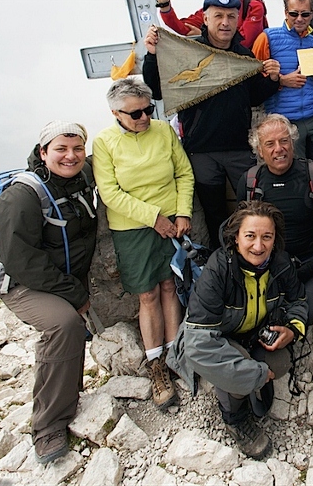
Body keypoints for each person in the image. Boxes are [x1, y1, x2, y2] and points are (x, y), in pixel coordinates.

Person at [167, 201, 308, 459]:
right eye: (250, 236)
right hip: (216, 338)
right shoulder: (218, 270)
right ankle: (235, 418)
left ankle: (245, 380)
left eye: (267, 237)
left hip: (254, 334)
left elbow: (298, 301)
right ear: (235, 238)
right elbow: (198, 344)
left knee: (281, 361)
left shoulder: (280, 263)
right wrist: (254, 375)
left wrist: (292, 329)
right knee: (240, 367)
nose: (259, 246)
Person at [0, 121, 98, 465]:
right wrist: (73, 294)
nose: (71, 156)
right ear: (42, 152)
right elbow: (20, 261)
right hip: (24, 284)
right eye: (61, 149)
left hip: (61, 276)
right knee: (63, 325)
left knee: (75, 326)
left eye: (77, 148)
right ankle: (49, 425)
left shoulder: (81, 177)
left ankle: (71, 388)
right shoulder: (21, 197)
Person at [142, 0, 281, 250]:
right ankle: (223, 262)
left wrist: (271, 81)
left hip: (239, 149)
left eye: (231, 16)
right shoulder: (190, 52)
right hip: (201, 151)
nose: (225, 22)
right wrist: (151, 55)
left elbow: (252, 97)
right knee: (214, 212)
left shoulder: (244, 55)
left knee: (252, 208)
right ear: (205, 19)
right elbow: (159, 90)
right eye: (218, 16)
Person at [93, 77, 195, 411]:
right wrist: (154, 217)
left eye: (148, 110)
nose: (143, 118)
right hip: (134, 229)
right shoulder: (104, 143)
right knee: (147, 293)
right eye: (135, 114)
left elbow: (184, 173)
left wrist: (182, 212)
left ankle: (175, 352)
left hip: (171, 222)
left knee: (170, 286)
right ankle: (156, 365)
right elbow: (110, 194)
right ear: (115, 113)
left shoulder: (163, 132)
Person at [237, 114, 313, 317]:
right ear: (260, 151)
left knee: (309, 311)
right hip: (265, 268)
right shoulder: (249, 183)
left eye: (284, 141)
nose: (278, 149)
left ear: (292, 142)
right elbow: (241, 234)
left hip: (309, 264)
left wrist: (311, 266)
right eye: (270, 144)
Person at [253, 0, 313, 182]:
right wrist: (281, 80)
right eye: (294, 13)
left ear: (312, 15)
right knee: (296, 173)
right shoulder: (267, 37)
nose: (299, 18)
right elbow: (252, 79)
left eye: (305, 14)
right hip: (285, 121)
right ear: (285, 13)